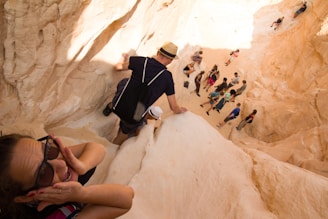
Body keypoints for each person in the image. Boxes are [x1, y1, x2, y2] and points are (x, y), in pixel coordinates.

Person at [0, 134, 134, 219]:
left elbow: (96, 148)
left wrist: (83, 165)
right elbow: (126, 199)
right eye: (42, 173)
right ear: (24, 197)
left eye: (47, 149)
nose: (61, 163)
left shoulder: (53, 165)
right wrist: (82, 194)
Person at [110, 42, 187, 145]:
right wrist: (181, 110)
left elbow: (118, 67)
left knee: (124, 82)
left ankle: (109, 106)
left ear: (158, 52)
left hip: (119, 104)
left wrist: (123, 59)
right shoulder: (167, 78)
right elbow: (174, 107)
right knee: (124, 133)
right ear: (170, 60)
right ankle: (114, 146)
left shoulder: (141, 61)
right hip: (134, 116)